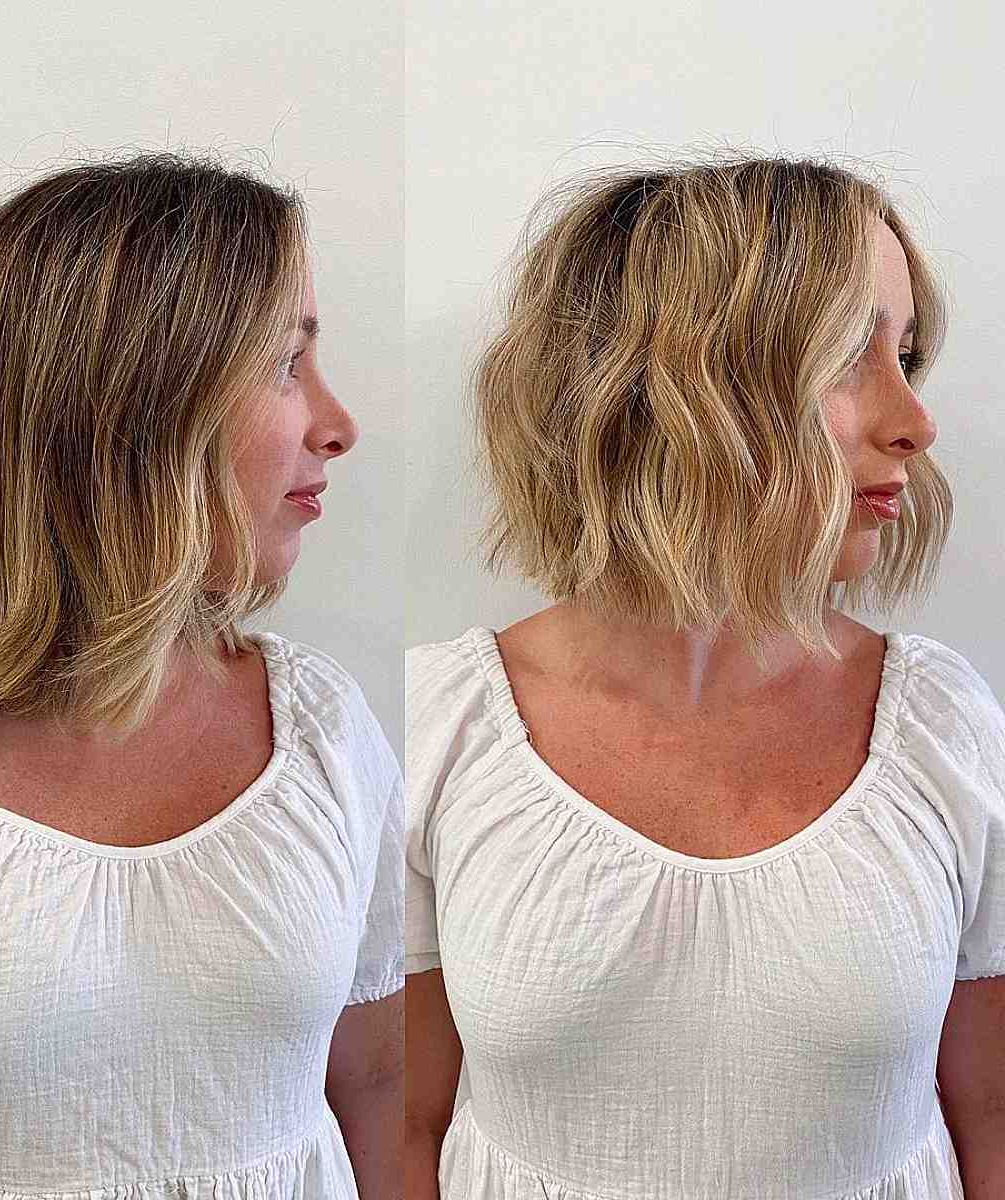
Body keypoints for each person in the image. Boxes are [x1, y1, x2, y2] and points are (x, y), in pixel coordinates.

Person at [0, 153, 403, 1200]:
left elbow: (380, 1094)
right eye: (285, 363)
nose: (338, 423)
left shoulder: (320, 727)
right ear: (132, 412)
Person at [405, 157, 1005, 1199]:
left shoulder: (941, 727)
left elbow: (990, 1117)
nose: (915, 418)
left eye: (905, 355)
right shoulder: (440, 727)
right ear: (661, 392)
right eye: (846, 356)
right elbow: (404, 1121)